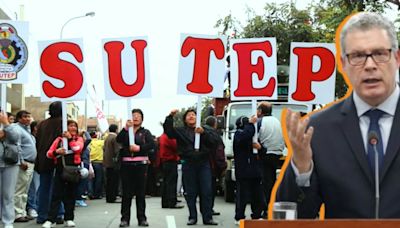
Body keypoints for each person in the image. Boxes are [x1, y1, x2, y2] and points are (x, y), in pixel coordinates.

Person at [277, 12, 400, 218]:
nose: (370, 65)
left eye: (380, 53)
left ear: (396, 58)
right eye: (358, 56)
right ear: (343, 64)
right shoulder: (317, 130)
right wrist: (302, 166)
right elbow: (291, 217)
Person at [163, 109, 218, 226]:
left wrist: (203, 133)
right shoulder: (181, 131)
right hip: (188, 163)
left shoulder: (206, 129)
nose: (191, 117)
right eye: (189, 115)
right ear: (185, 119)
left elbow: (214, 142)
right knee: (190, 192)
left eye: (193, 115)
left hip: (204, 163)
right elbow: (168, 131)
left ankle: (207, 217)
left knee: (206, 191)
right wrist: (170, 116)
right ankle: (192, 216)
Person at [42, 120, 84, 228]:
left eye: (75, 126)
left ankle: (69, 218)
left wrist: (70, 139)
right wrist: (57, 152)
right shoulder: (59, 140)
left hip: (73, 170)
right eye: (70, 126)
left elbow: (77, 149)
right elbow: (48, 153)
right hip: (60, 169)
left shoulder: (79, 139)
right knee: (56, 195)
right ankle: (51, 219)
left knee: (71, 195)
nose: (73, 128)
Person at [116, 109, 155, 227]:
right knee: (126, 193)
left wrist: (139, 148)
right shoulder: (126, 131)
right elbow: (118, 140)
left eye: (138, 116)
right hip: (126, 165)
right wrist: (126, 128)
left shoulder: (146, 132)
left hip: (141, 165)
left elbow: (151, 145)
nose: (136, 117)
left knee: (140, 193)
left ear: (142, 119)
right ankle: (125, 219)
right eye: (133, 116)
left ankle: (142, 218)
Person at [34, 101, 64, 224]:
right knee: (58, 188)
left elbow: (38, 141)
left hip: (43, 159)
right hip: (57, 159)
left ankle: (42, 215)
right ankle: (58, 214)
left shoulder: (42, 124)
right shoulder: (63, 123)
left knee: (44, 188)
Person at [233, 115, 264, 224]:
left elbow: (263, 151)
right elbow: (245, 136)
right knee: (242, 196)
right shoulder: (238, 134)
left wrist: (260, 148)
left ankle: (256, 215)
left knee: (257, 195)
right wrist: (251, 124)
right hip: (243, 171)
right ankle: (239, 216)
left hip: (255, 170)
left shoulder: (254, 137)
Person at [256, 102, 285, 217]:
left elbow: (255, 137)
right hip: (277, 154)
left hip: (265, 154)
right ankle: (272, 205)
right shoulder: (277, 121)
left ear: (260, 111)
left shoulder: (260, 122)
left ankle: (266, 209)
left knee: (265, 183)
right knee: (272, 181)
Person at [13, 110, 37, 223]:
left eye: (29, 116)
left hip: (30, 163)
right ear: (19, 118)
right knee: (19, 189)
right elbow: (17, 146)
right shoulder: (17, 129)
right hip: (24, 163)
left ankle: (22, 212)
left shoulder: (26, 130)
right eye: (25, 117)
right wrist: (21, 161)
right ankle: (17, 214)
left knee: (25, 190)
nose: (28, 118)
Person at [0, 112, 21, 228]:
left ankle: (8, 221)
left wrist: (6, 124)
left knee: (8, 194)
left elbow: (16, 138)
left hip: (10, 163)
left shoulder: (12, 127)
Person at [204, 116, 227, 216]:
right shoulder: (215, 135)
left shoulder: (201, 133)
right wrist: (222, 165)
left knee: (204, 189)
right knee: (211, 189)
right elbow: (219, 151)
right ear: (215, 124)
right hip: (212, 165)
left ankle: (204, 208)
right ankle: (209, 209)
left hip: (203, 164)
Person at [159, 127, 183, 209]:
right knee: (172, 182)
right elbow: (176, 146)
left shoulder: (162, 136)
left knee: (166, 182)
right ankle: (172, 201)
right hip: (170, 160)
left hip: (164, 161)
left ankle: (165, 202)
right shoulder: (169, 137)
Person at [103, 124, 121, 203]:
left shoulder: (106, 138)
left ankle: (109, 197)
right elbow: (117, 150)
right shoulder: (115, 138)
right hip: (113, 162)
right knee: (114, 181)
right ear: (116, 130)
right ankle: (113, 197)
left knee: (109, 181)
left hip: (107, 161)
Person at [88, 131, 104, 200]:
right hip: (99, 162)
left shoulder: (89, 143)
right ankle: (97, 194)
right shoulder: (100, 142)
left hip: (90, 162)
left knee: (90, 179)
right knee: (98, 179)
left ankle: (90, 193)